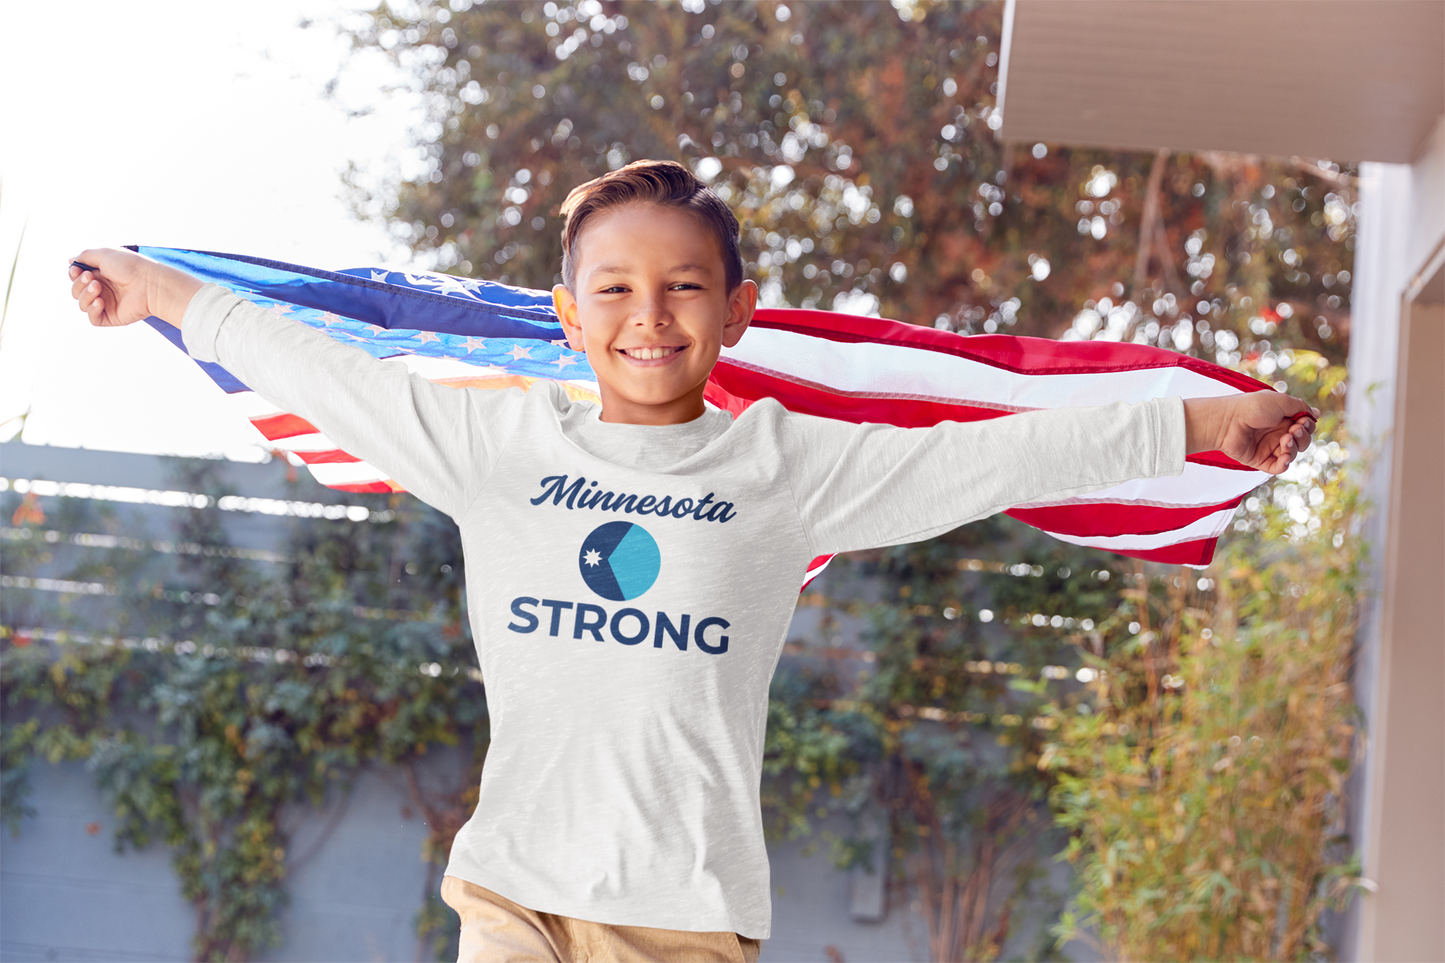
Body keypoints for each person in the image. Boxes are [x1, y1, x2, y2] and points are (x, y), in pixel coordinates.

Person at [67, 160, 1316, 963]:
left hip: (681, 914)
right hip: (511, 895)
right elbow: (325, 370)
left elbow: (991, 457)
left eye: (680, 287)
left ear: (737, 311)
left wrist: (1195, 423)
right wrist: (159, 289)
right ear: (567, 315)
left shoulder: (787, 468)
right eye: (610, 289)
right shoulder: (492, 444)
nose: (646, 317)